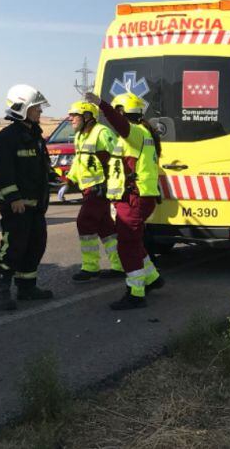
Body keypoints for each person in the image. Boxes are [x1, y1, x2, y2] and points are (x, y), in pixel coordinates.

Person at [84, 91, 165, 310]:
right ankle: (153, 278)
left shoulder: (134, 133)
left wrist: (101, 104)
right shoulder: (144, 133)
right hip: (136, 196)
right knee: (134, 241)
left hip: (134, 197)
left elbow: (119, 123)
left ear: (123, 112)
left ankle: (135, 293)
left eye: (118, 112)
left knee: (127, 246)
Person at [0, 84, 55, 310]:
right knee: (13, 246)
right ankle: (2, 290)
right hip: (17, 205)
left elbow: (41, 165)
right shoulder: (7, 137)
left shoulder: (35, 135)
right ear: (22, 108)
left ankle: (27, 288)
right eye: (36, 108)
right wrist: (14, 197)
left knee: (36, 244)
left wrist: (54, 178)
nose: (40, 111)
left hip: (37, 205)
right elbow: (3, 171)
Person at [64, 101, 125, 282]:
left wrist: (113, 184)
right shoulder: (80, 136)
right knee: (106, 227)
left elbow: (118, 158)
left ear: (87, 116)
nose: (71, 119)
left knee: (85, 222)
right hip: (88, 189)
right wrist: (69, 181)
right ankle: (120, 264)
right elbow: (79, 162)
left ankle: (90, 268)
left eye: (74, 115)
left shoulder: (102, 133)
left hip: (99, 190)